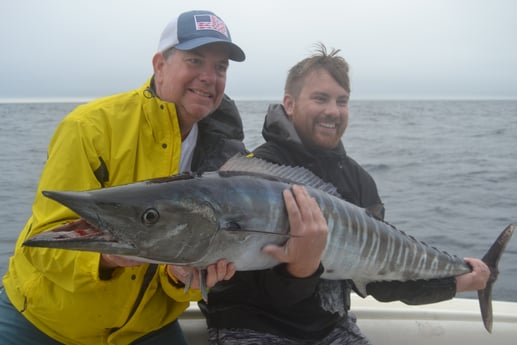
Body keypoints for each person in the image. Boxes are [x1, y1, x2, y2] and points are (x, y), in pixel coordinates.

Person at [199, 43, 491, 344]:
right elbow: (233, 289)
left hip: (329, 329)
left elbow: (379, 275)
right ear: (289, 103)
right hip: (251, 327)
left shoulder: (358, 182)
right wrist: (300, 268)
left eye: (342, 101)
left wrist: (455, 283)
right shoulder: (251, 176)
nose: (332, 111)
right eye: (320, 98)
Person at [0, 10, 247, 345]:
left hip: (142, 329)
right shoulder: (89, 127)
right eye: (195, 60)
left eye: (220, 68)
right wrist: (108, 257)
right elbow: (44, 245)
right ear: (160, 65)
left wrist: (180, 277)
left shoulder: (225, 159)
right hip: (44, 320)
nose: (209, 76)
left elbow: (181, 278)